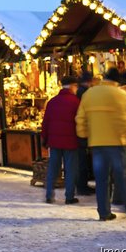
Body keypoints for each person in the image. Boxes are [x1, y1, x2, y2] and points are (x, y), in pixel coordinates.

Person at [76, 68, 126, 221]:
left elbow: (80, 118)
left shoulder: (89, 94)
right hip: (118, 142)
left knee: (101, 179)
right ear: (116, 80)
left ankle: (104, 212)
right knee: (123, 175)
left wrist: (84, 135)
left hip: (97, 143)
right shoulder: (120, 94)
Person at [41, 75, 80, 204]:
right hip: (71, 141)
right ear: (73, 86)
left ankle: (49, 195)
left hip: (54, 142)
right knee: (70, 169)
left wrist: (45, 139)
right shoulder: (76, 102)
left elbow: (45, 122)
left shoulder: (52, 102)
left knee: (53, 168)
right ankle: (69, 196)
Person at [75, 71, 96, 196]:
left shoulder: (79, 92)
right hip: (83, 133)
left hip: (80, 132)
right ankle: (82, 187)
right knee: (83, 161)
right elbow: (84, 115)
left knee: (82, 160)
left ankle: (82, 185)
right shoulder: (85, 93)